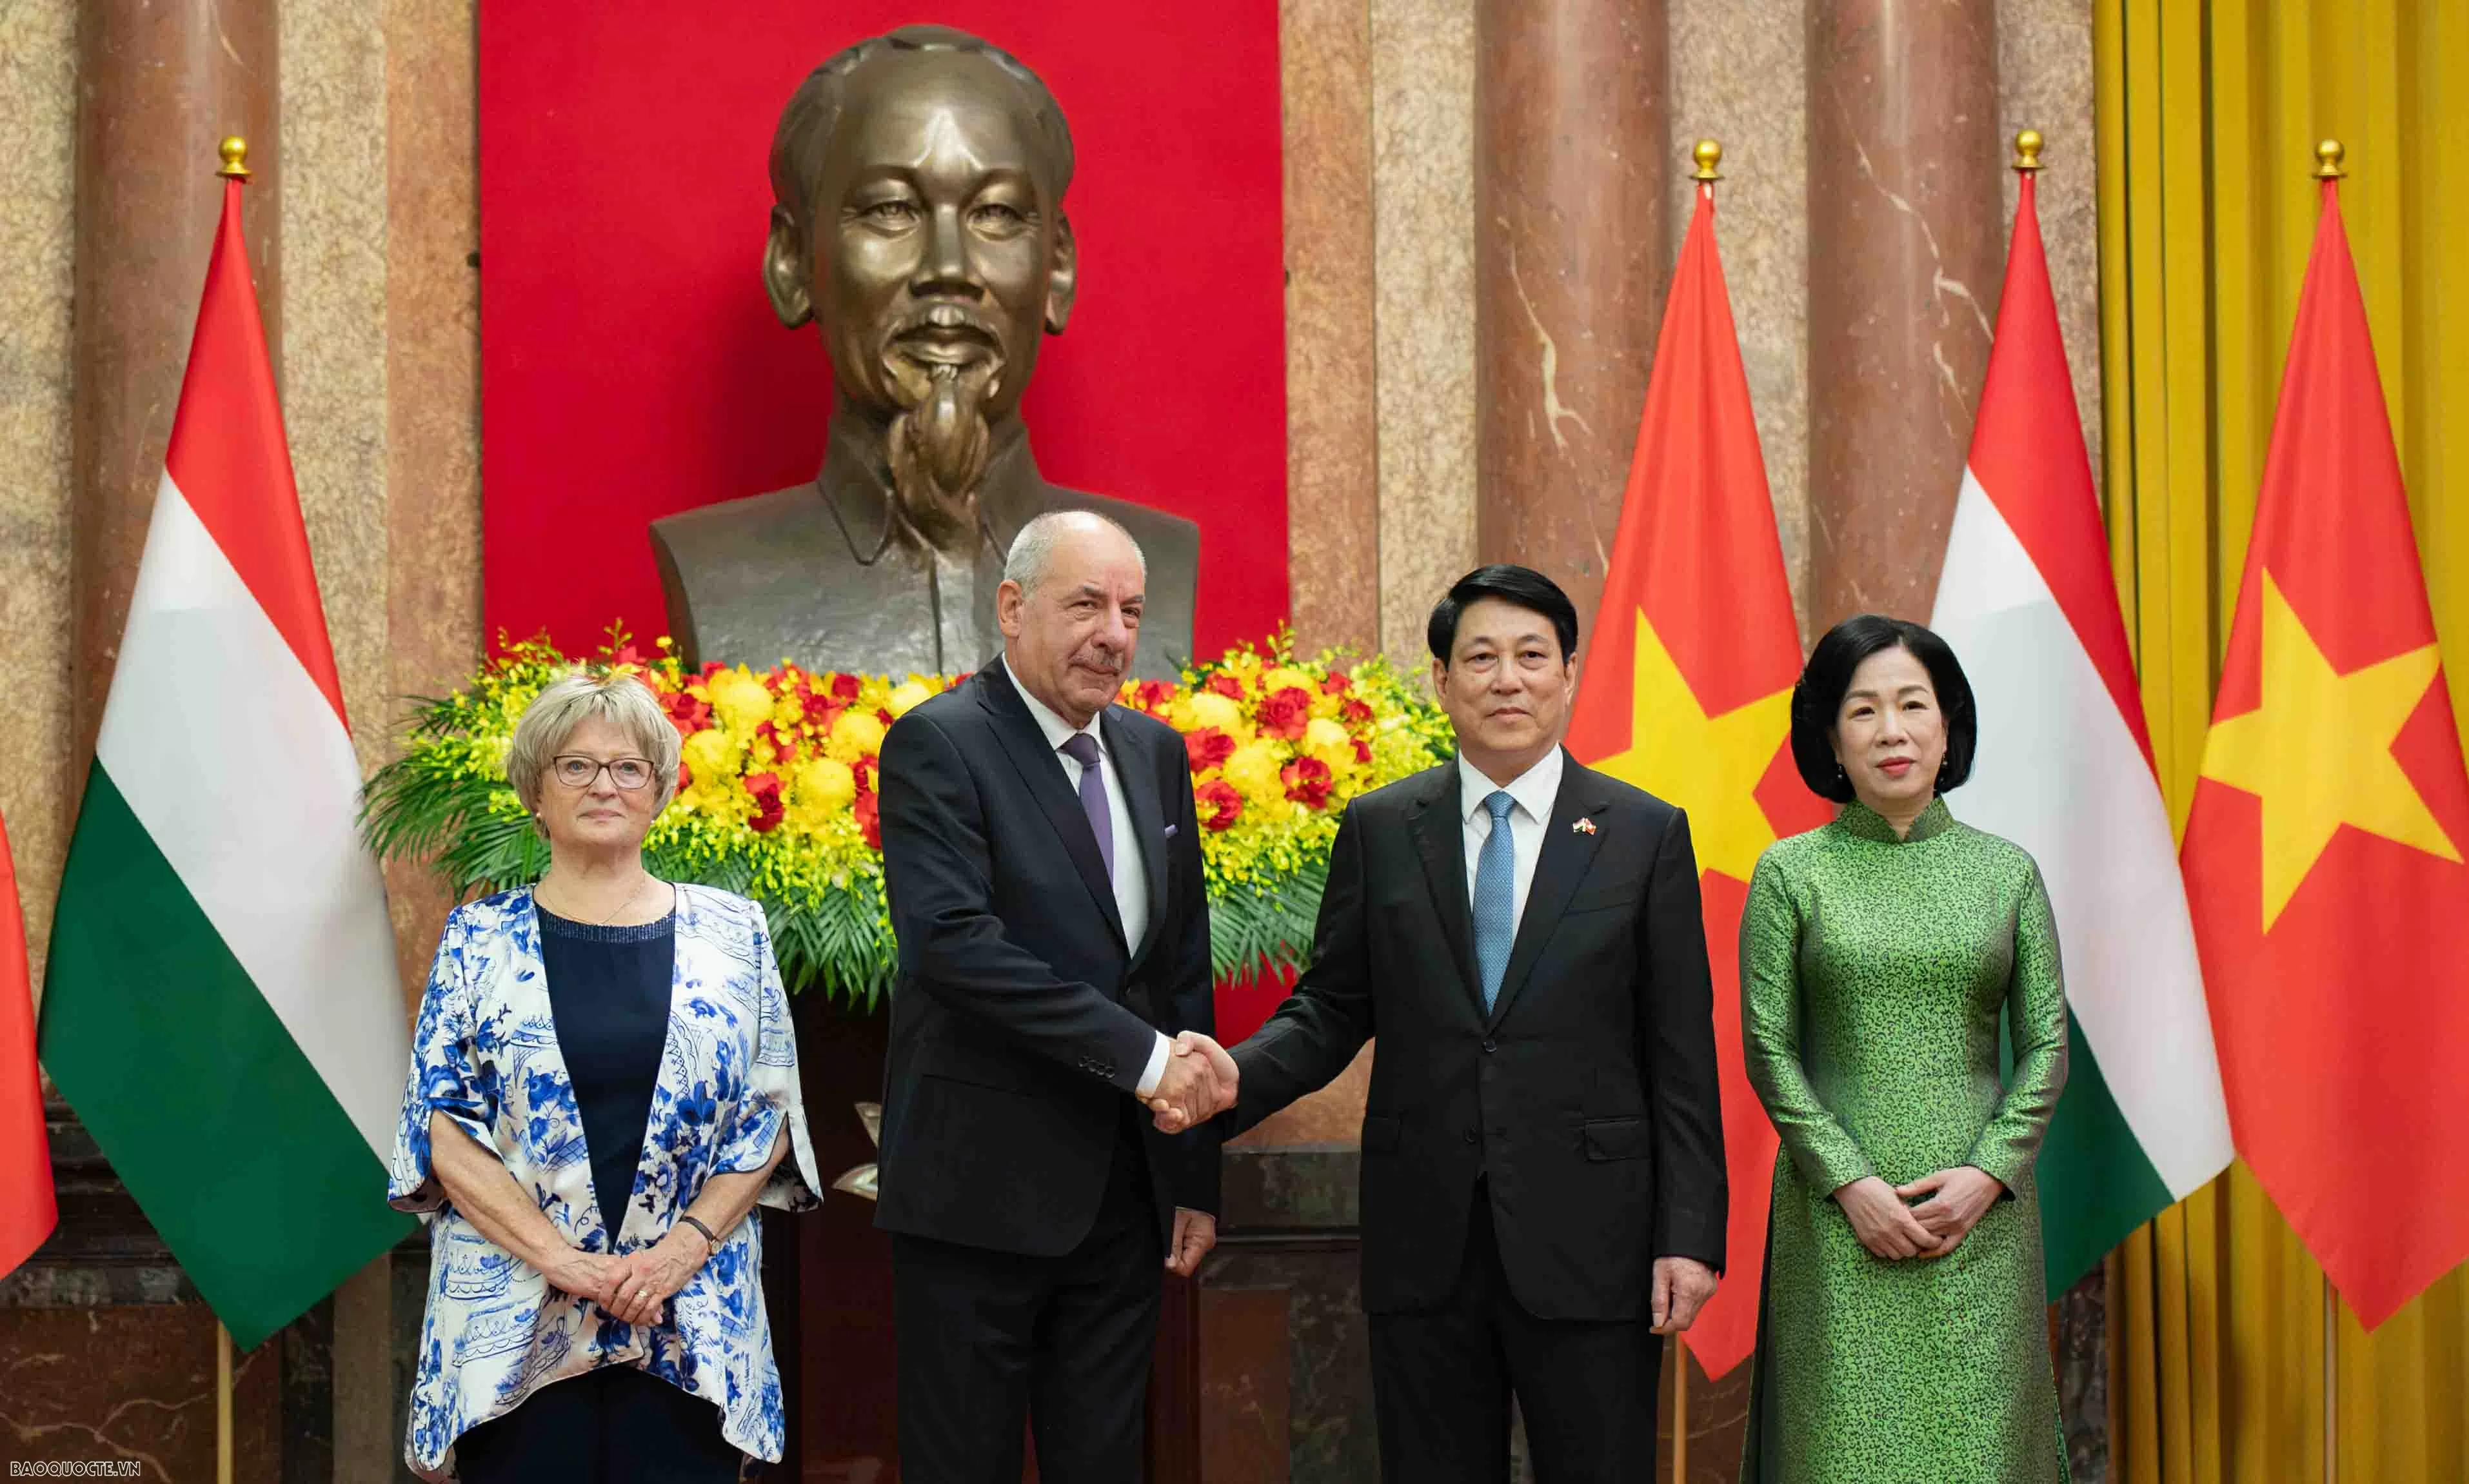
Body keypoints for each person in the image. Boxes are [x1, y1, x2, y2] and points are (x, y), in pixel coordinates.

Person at [1187, 564, 1729, 1483]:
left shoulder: (1642, 832)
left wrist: (1689, 1232)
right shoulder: (1385, 826)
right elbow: (1330, 1007)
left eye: (1530, 656)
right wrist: (1233, 1076)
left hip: (1593, 1241)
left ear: (1568, 673)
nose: (1506, 679)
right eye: (1480, 657)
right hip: (1425, 1238)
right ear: (1441, 680)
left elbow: (1680, 1052)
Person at [649, 25, 1198, 679]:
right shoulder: (714, 571)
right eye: (890, 210)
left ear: (1056, 269)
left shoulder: (1159, 565)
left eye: (995, 214)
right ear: (793, 264)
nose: (948, 267)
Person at [388, 671, 821, 1483]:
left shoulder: (736, 934)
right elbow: (442, 1128)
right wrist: (568, 1263)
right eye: (575, 767)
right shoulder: (477, 939)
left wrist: (674, 1257)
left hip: (686, 1319)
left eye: (628, 768)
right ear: (536, 793)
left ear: (658, 792)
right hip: (516, 1326)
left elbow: (769, 1119)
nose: (604, 786)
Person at [873, 508, 1227, 1481]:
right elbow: (955, 946)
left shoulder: (1155, 752)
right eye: (1086, 603)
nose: (1114, 632)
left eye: (1130, 609)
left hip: (1122, 1197)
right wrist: (1152, 1061)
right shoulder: (940, 743)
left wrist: (1191, 1168)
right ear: (1013, 608)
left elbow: (1175, 962)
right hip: (976, 1196)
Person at [1736, 614, 2068, 1483]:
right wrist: (1848, 1180)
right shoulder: (1790, 872)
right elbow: (1769, 1050)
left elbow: (2045, 1046)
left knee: (1982, 1455)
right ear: (1830, 740)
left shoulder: (2007, 872)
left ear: (1948, 724)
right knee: (1839, 1452)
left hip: (1982, 1221)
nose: (1892, 731)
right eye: (1863, 711)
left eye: (1912, 705)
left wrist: (1989, 1172)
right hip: (1837, 1215)